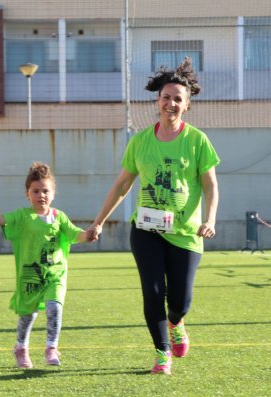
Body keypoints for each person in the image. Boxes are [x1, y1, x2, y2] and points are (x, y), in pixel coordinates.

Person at [87, 58, 220, 375]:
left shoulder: (197, 141)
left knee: (180, 300)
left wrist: (210, 219)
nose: (170, 103)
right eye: (166, 97)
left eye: (177, 99)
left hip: (186, 233)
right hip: (146, 229)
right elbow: (121, 185)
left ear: (186, 106)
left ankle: (176, 322)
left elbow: (211, 186)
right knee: (153, 292)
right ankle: (162, 353)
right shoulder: (141, 142)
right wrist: (99, 221)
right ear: (157, 101)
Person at [0, 162, 90, 368]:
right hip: (31, 277)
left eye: (45, 190)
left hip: (55, 275)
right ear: (27, 194)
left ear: (53, 193)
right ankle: (21, 348)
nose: (41, 195)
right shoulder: (23, 217)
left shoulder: (59, 217)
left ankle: (51, 347)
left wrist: (89, 234)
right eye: (36, 191)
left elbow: (75, 234)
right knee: (28, 315)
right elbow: (1, 220)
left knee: (54, 307)